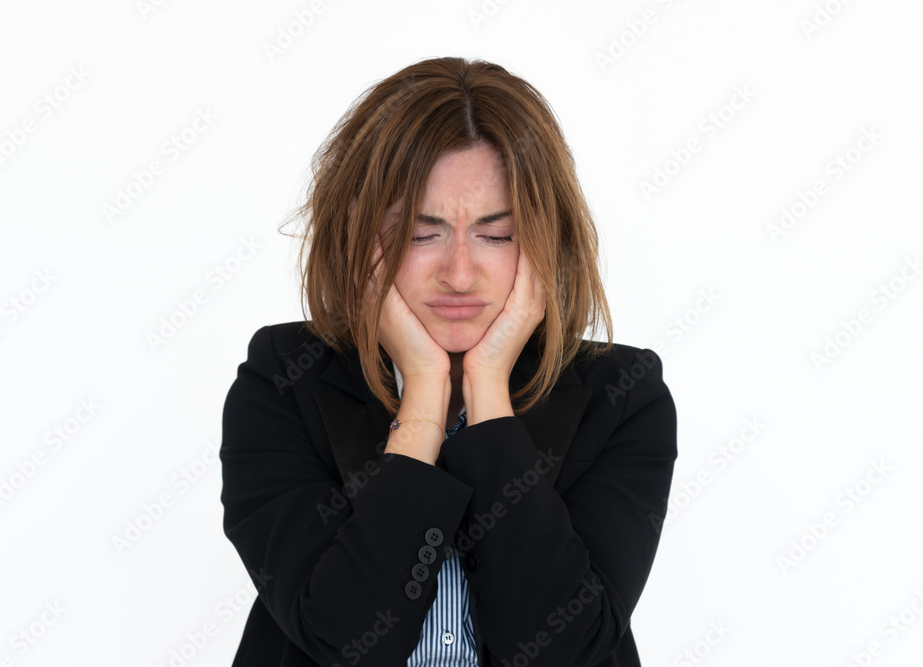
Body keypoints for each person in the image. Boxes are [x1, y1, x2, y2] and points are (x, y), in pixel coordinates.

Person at [219, 56, 677, 667]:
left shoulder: (622, 394)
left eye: (497, 234)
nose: (459, 274)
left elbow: (563, 650)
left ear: (547, 241)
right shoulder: (282, 377)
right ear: (359, 240)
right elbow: (342, 637)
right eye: (419, 232)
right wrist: (425, 397)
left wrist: (488, 392)